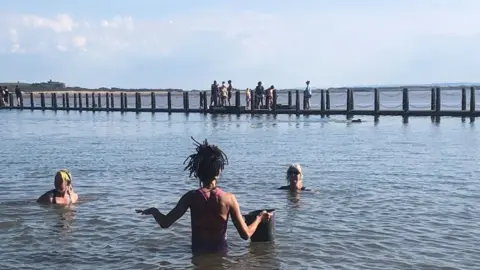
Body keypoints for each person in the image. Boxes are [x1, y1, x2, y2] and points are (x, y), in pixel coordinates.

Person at [136, 137, 272, 254]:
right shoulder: (228, 199)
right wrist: (259, 218)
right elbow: (245, 235)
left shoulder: (191, 197)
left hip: (197, 255)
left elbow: (165, 223)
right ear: (218, 171)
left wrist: (154, 210)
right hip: (220, 256)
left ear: (197, 172)